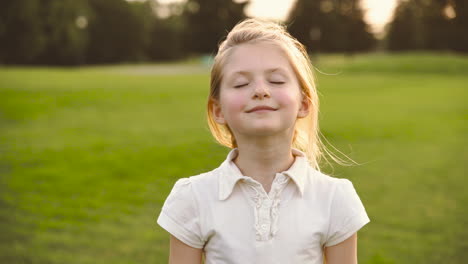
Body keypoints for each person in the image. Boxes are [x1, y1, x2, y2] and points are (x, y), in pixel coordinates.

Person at [157, 18, 370, 264]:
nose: (260, 90)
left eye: (276, 80)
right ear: (218, 111)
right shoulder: (192, 197)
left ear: (303, 104)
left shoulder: (335, 197)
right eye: (241, 83)